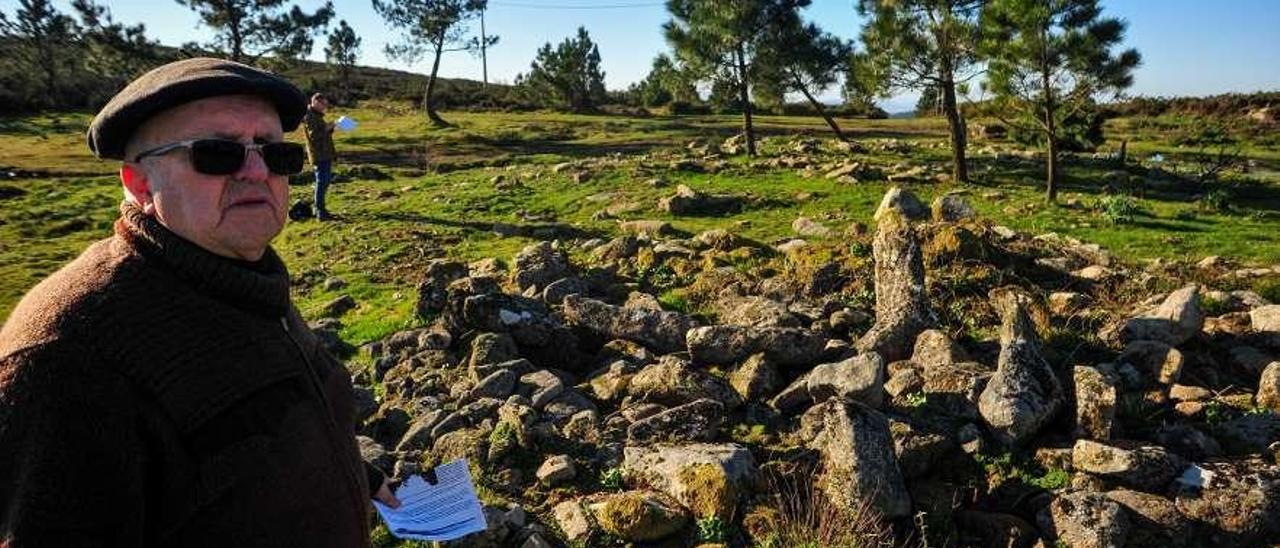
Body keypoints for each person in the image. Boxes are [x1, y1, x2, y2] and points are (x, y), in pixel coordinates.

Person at [0, 58, 398, 547]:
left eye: (276, 154)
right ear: (139, 183)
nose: (257, 172)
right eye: (217, 154)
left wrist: (363, 476)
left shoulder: (246, 274)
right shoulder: (69, 357)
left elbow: (257, 433)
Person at [303, 92, 337, 221]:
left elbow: (321, 133)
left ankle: (319, 209)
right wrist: (327, 128)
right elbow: (314, 137)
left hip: (324, 153)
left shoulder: (316, 115)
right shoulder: (309, 116)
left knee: (324, 181)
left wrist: (330, 128)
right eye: (324, 104)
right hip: (319, 154)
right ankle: (320, 211)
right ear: (316, 102)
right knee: (322, 182)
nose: (325, 107)